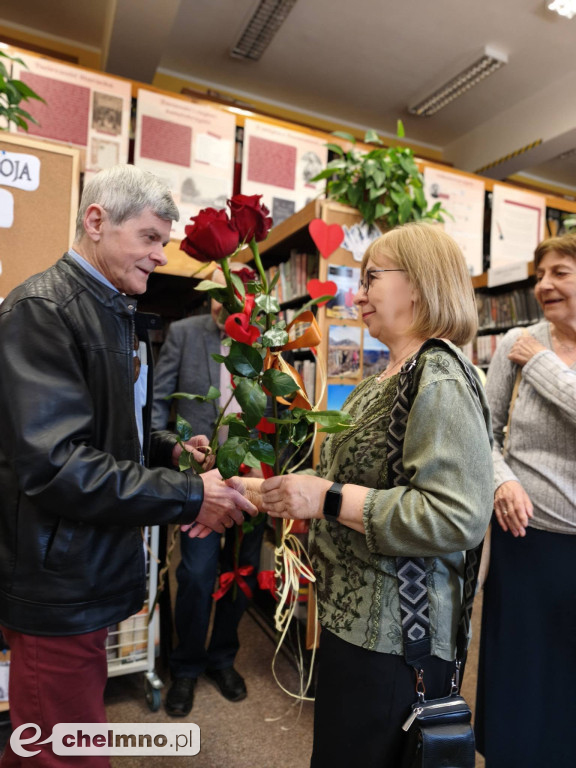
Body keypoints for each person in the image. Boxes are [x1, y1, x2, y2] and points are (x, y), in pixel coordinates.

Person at [0, 165, 256, 767]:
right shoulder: (44, 310)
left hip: (77, 572)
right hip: (56, 583)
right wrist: (192, 496)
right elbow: (57, 464)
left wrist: (167, 449)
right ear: (96, 221)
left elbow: (110, 430)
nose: (160, 256)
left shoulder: (107, 308)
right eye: (148, 238)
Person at [238, 222, 494, 767]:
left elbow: (456, 517)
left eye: (372, 277)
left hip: (396, 640)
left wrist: (327, 498)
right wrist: (264, 491)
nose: (357, 293)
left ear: (420, 286)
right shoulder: (385, 378)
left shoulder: (441, 377)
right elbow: (346, 479)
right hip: (351, 623)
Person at [475, 233, 576, 767]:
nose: (544, 285)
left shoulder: (528, 352)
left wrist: (540, 363)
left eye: (559, 272)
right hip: (524, 542)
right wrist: (501, 481)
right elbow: (482, 433)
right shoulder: (516, 339)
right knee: (520, 674)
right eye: (540, 275)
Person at [152, 263, 265, 717]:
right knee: (196, 576)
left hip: (252, 481)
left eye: (236, 294)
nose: (226, 303)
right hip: (200, 482)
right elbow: (158, 402)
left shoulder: (265, 343)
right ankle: (186, 667)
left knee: (241, 572)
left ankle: (222, 659)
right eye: (220, 293)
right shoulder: (183, 332)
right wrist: (170, 455)